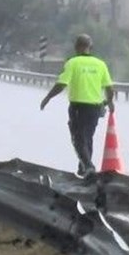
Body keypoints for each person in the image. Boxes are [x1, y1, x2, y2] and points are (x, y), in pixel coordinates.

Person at [39, 34, 116, 176]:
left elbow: (62, 84)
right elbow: (110, 89)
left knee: (78, 138)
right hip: (95, 108)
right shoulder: (101, 64)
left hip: (78, 108)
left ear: (76, 47)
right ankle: (83, 171)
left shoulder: (73, 63)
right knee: (87, 138)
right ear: (90, 47)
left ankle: (88, 167)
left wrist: (48, 97)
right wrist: (109, 102)